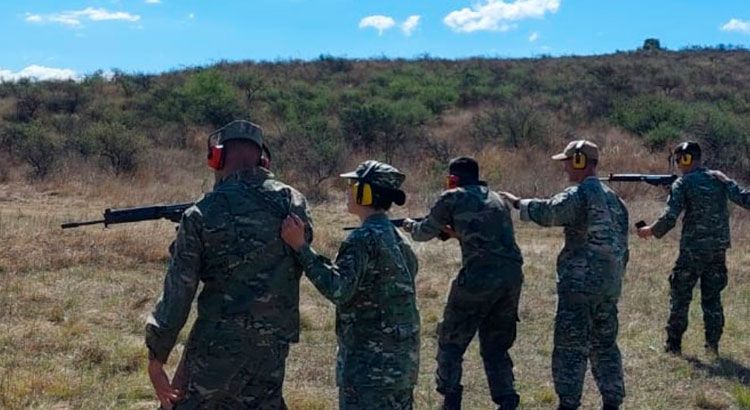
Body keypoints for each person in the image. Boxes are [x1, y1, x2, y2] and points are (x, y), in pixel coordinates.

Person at [145, 120, 313, 410]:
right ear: (263, 159)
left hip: (216, 346)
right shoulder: (293, 201)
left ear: (217, 157)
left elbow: (179, 291)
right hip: (272, 346)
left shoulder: (202, 212)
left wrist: (157, 356)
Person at [280, 160, 420, 410]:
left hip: (370, 369)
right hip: (401, 365)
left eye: (354, 185)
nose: (348, 190)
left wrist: (301, 247)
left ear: (365, 193)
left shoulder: (362, 239)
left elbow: (338, 289)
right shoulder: (399, 238)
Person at [501, 140, 628, 410]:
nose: (565, 168)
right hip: (609, 287)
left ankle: (568, 403)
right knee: (605, 344)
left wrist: (518, 204)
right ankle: (613, 400)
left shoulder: (580, 194)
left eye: (568, 162)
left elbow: (549, 213)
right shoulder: (616, 200)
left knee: (570, 348)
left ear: (580, 161)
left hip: (580, 286)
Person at [403, 156, 524, 410]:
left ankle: (451, 397)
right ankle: (507, 398)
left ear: (453, 178)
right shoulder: (496, 199)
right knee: (496, 343)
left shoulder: (452, 197)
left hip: (479, 276)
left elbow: (424, 232)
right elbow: (486, 235)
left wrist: (409, 225)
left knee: (451, 339)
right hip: (511, 277)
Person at [637, 141, 750, 356]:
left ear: (686, 159)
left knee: (680, 296)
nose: (678, 164)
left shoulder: (683, 183)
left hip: (692, 250)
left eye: (679, 160)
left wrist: (650, 231)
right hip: (718, 249)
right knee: (712, 297)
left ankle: (674, 345)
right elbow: (745, 199)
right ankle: (712, 346)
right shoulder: (719, 178)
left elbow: (670, 217)